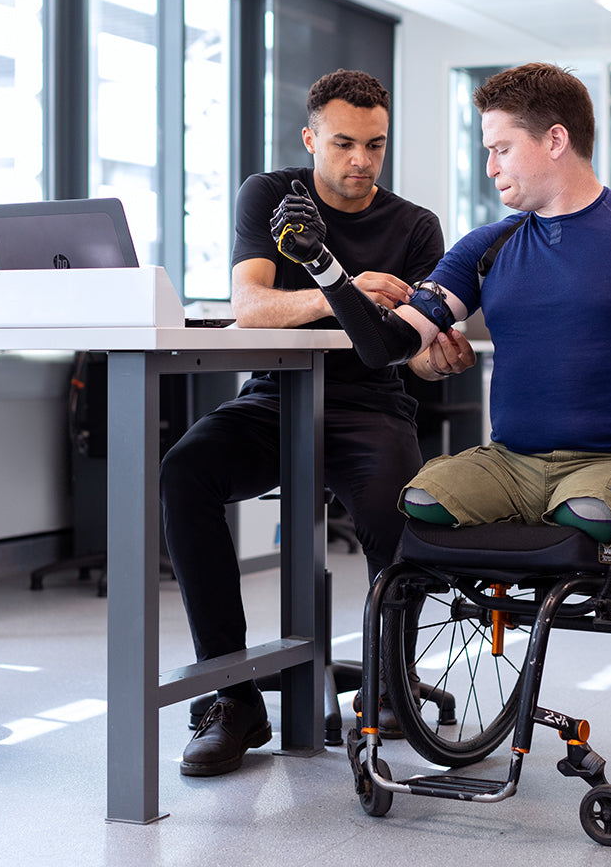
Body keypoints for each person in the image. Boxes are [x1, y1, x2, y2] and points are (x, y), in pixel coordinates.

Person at [273, 62, 611, 551]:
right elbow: (386, 345)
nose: (491, 167)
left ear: (555, 141)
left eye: (501, 150)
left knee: (586, 513)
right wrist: (322, 265)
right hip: (509, 465)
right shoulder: (485, 248)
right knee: (420, 500)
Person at [160, 68, 475, 777]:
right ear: (311, 139)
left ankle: (390, 681)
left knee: (399, 509)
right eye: (342, 143)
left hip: (371, 404)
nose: (360, 160)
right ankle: (233, 697)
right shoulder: (272, 197)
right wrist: (342, 289)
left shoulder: (416, 226)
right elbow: (251, 306)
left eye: (374, 144)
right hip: (275, 397)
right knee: (185, 473)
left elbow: (416, 358)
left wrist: (437, 362)